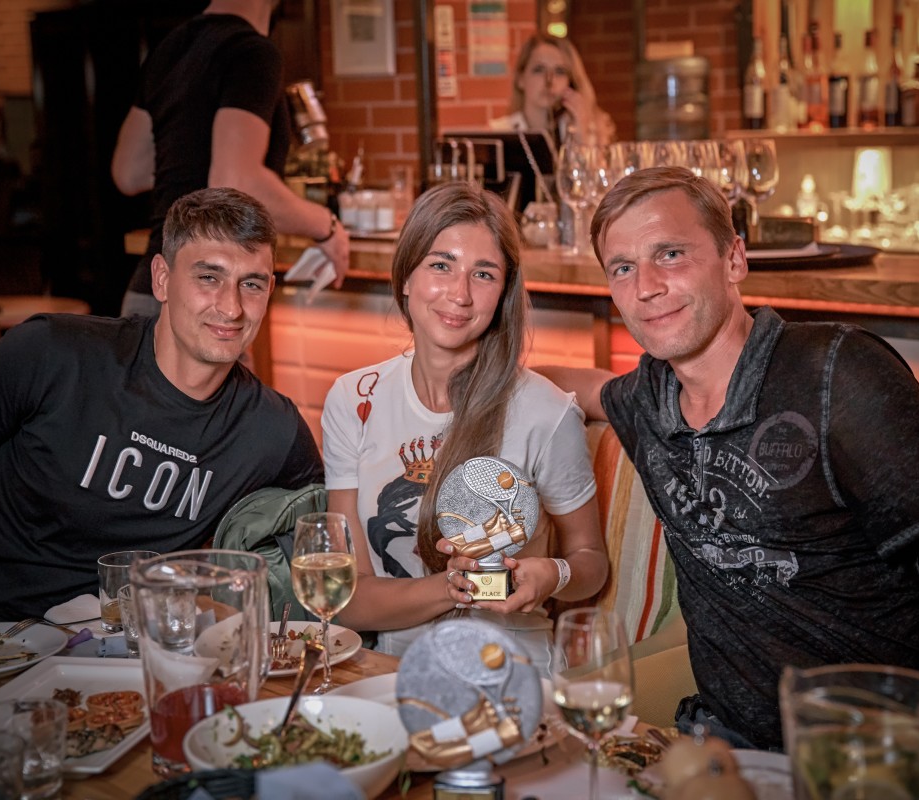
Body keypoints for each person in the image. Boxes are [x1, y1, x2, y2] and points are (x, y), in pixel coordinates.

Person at [539, 167, 919, 800]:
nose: (647, 286)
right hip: (728, 755)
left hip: (887, 759)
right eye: (622, 268)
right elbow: (576, 386)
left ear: (734, 259)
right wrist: (463, 370)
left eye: (670, 254)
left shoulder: (835, 374)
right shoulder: (648, 398)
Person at [0, 187, 323, 622]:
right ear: (161, 278)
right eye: (208, 278)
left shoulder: (272, 430)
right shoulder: (51, 354)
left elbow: (334, 543)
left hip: (98, 651)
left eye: (251, 284)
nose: (231, 308)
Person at [322, 181, 608, 669]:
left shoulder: (546, 412)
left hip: (515, 673)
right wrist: (449, 587)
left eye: (483, 274)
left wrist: (552, 575)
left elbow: (591, 562)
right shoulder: (353, 399)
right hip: (393, 674)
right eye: (441, 265)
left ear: (503, 294)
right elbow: (348, 599)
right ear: (406, 278)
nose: (459, 293)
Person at [110, 0, 349, 318]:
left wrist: (193, 163)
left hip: (150, 292)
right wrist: (326, 226)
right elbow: (236, 184)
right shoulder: (252, 51)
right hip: (208, 304)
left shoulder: (171, 48)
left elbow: (129, 171)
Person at [489, 33, 615, 149]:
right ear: (520, 78)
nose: (549, 81)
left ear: (570, 82)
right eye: (539, 69)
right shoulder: (500, 133)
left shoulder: (590, 129)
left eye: (560, 71)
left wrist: (581, 133)